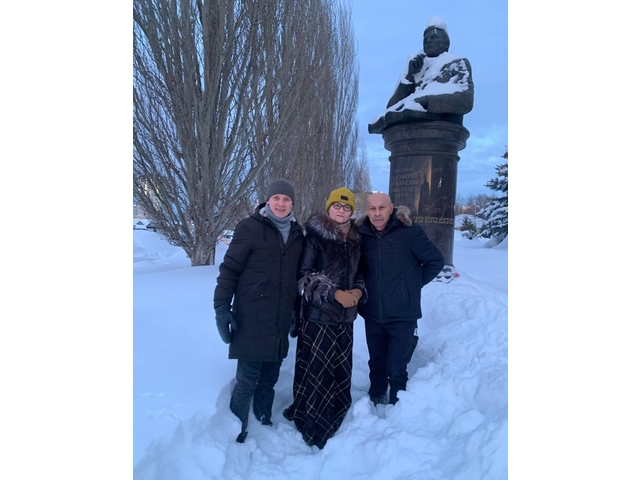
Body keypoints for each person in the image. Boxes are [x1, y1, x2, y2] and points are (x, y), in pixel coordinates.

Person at [213, 179, 304, 443]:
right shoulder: (249, 227)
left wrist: (296, 311)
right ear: (267, 200)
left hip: (280, 316)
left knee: (270, 376)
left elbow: (297, 277)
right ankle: (237, 426)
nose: (281, 203)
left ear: (292, 203)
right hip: (252, 315)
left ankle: (263, 416)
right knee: (248, 378)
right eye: (276, 198)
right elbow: (230, 269)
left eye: (286, 199)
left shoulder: (297, 234)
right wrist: (221, 307)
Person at [283, 187, 367, 449]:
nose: (341, 210)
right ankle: (314, 423)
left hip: (345, 319)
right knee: (317, 372)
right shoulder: (315, 237)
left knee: (340, 369)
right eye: (337, 206)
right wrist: (334, 293)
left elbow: (360, 273)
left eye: (346, 207)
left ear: (352, 211)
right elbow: (304, 276)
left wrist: (358, 291)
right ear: (329, 207)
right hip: (318, 317)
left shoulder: (355, 239)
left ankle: (337, 413)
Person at [356, 192, 444, 405]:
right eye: (372, 209)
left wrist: (410, 286)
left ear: (391, 208)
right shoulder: (361, 235)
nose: (377, 213)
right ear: (367, 211)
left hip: (402, 314)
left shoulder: (410, 232)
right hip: (373, 312)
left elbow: (435, 261)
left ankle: (398, 406)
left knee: (396, 367)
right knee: (376, 362)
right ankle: (376, 398)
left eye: (382, 208)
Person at [368, 16, 474, 134]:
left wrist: (426, 101)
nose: (428, 41)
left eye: (434, 37)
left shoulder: (457, 63)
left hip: (441, 133)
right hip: (407, 133)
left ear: (446, 44)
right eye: (425, 39)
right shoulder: (418, 69)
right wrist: (409, 76)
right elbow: (391, 107)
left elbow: (465, 99)